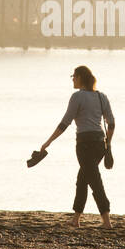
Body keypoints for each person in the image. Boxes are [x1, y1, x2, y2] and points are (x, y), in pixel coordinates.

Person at [40, 65, 114, 228]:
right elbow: (112, 123)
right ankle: (76, 219)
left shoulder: (77, 97)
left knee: (94, 180)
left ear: (80, 77)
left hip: (85, 144)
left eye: (74, 76)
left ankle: (107, 221)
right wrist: (108, 144)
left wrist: (48, 142)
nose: (72, 79)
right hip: (100, 144)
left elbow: (65, 123)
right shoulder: (102, 97)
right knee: (83, 179)